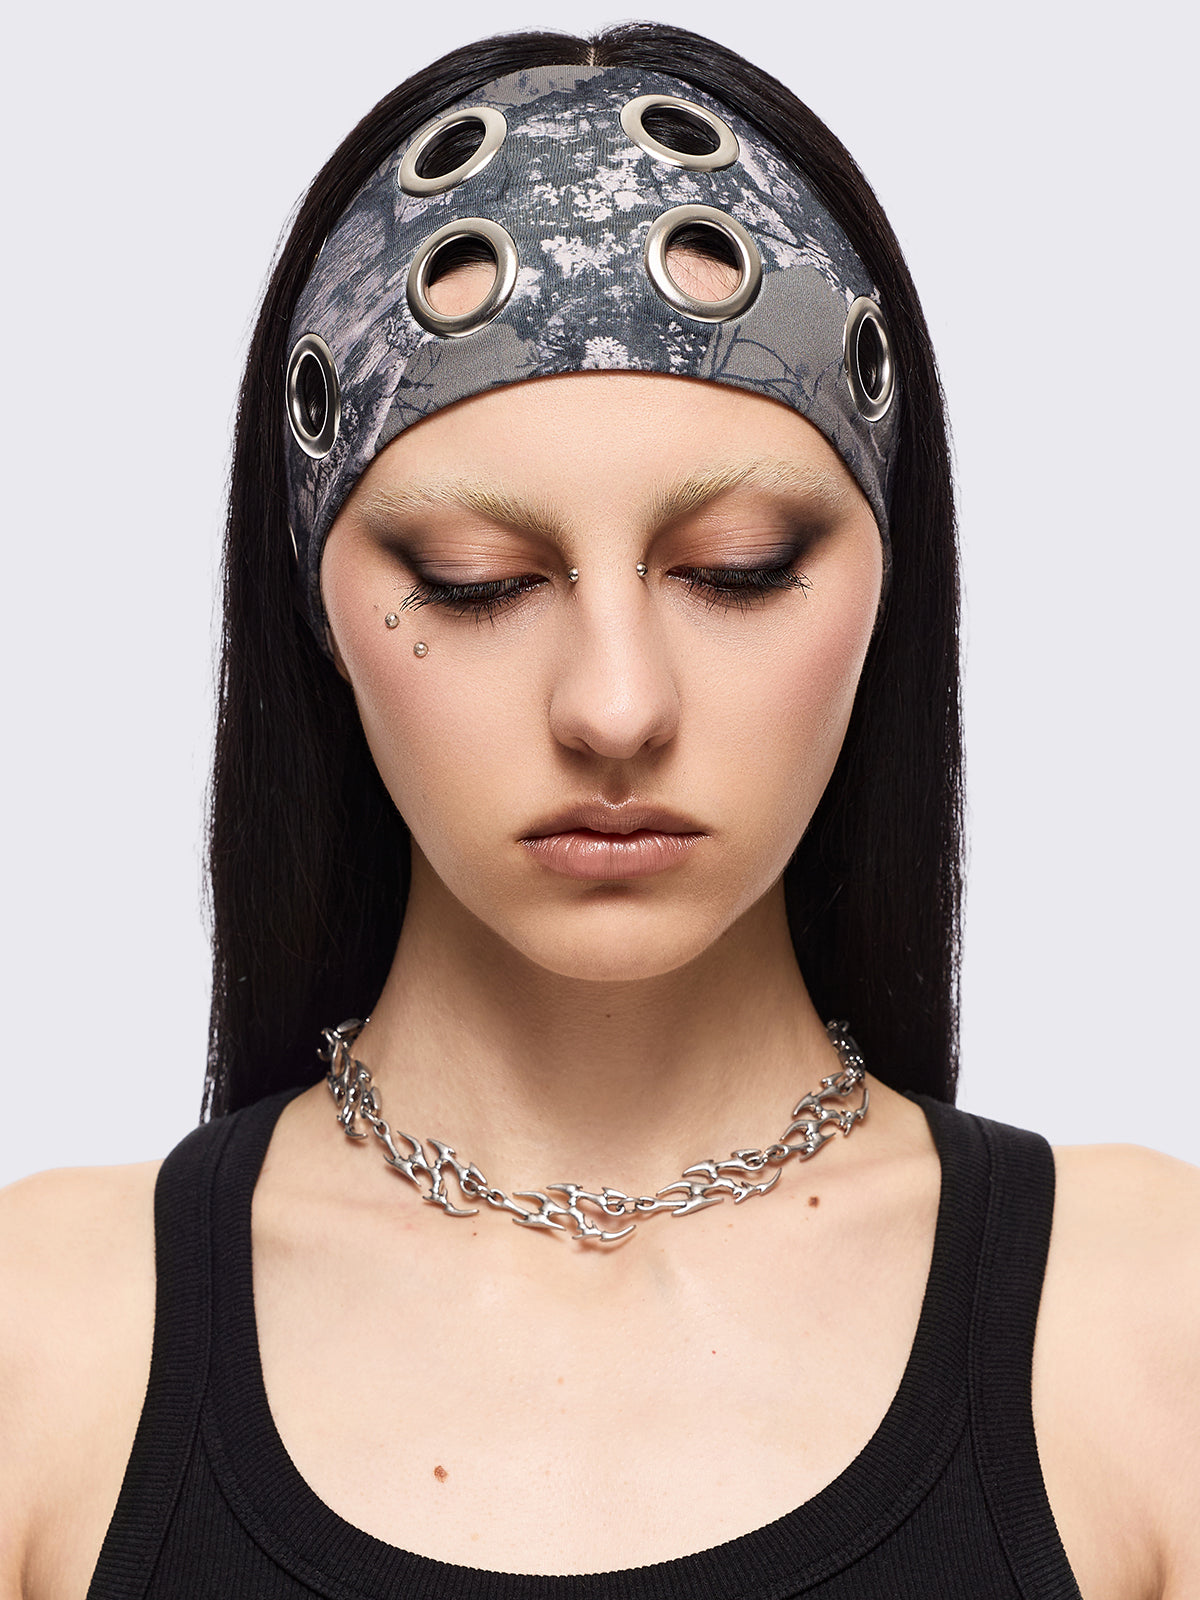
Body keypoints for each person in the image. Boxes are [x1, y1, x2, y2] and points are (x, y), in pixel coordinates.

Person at [1, 21, 1196, 1600]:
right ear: (318, 606)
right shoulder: (48, 1346)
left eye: (739, 570)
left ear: (887, 579)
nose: (617, 707)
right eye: (476, 584)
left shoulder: (1150, 1328)